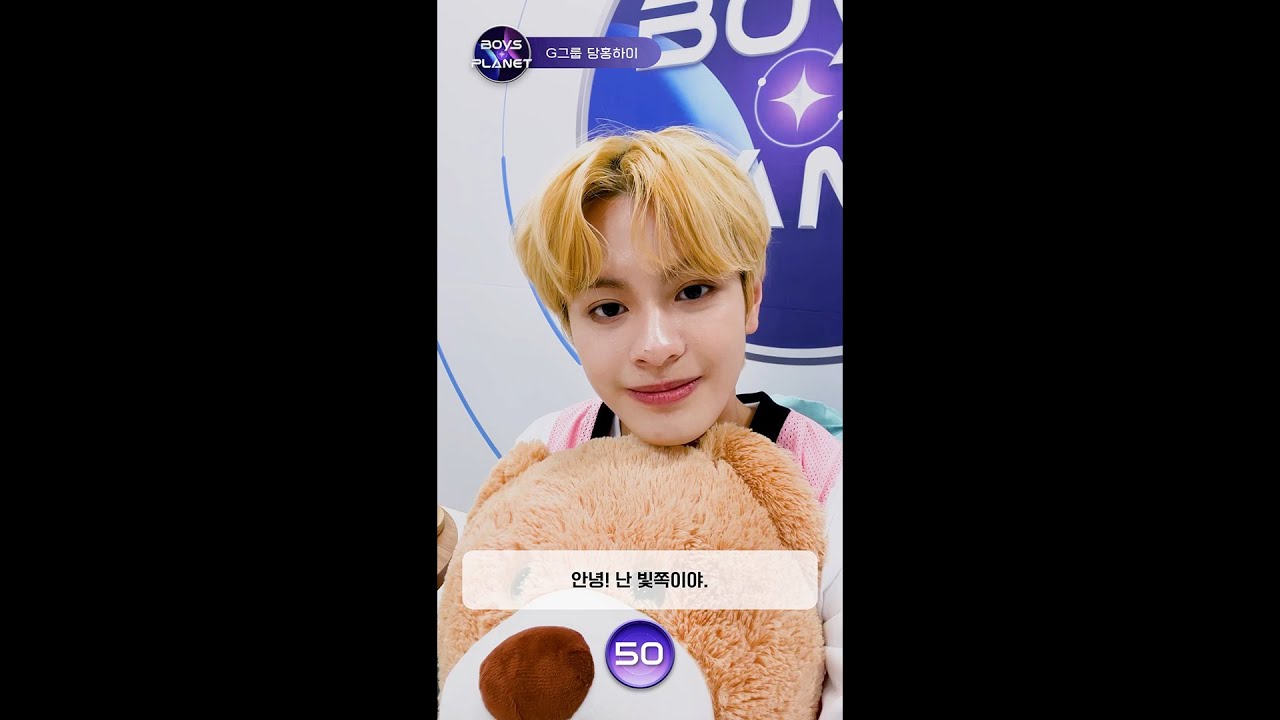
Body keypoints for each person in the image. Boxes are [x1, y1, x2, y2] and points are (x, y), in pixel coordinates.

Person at [510, 126, 843, 718]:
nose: (656, 347)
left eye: (693, 291)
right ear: (570, 327)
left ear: (751, 298)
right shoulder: (546, 454)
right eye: (608, 308)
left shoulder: (824, 483)